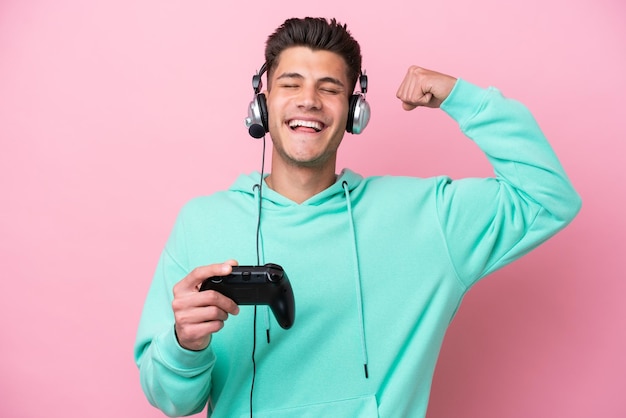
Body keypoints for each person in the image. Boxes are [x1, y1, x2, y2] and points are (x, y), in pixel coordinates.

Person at [134, 17, 581, 418]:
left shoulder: (429, 218)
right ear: (262, 104)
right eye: (290, 84)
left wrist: (461, 99)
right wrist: (184, 344)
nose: (309, 100)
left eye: (329, 88)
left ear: (353, 111)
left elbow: (548, 196)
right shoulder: (202, 222)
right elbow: (174, 401)